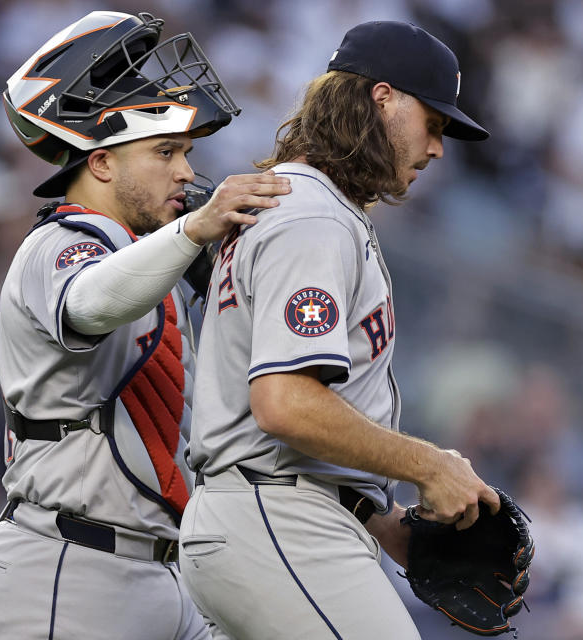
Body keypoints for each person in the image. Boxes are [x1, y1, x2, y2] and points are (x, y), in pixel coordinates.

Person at [0, 11, 290, 640]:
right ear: (102, 163)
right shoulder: (61, 241)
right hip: (64, 572)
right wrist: (195, 230)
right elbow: (88, 305)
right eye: (165, 151)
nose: (187, 172)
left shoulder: (150, 259)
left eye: (186, 153)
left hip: (167, 578)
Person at [180, 20, 500, 639]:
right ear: (383, 98)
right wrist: (428, 465)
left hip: (270, 515)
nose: (437, 149)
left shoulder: (308, 207)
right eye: (433, 125)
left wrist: (383, 520)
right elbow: (285, 404)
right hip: (280, 521)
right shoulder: (313, 217)